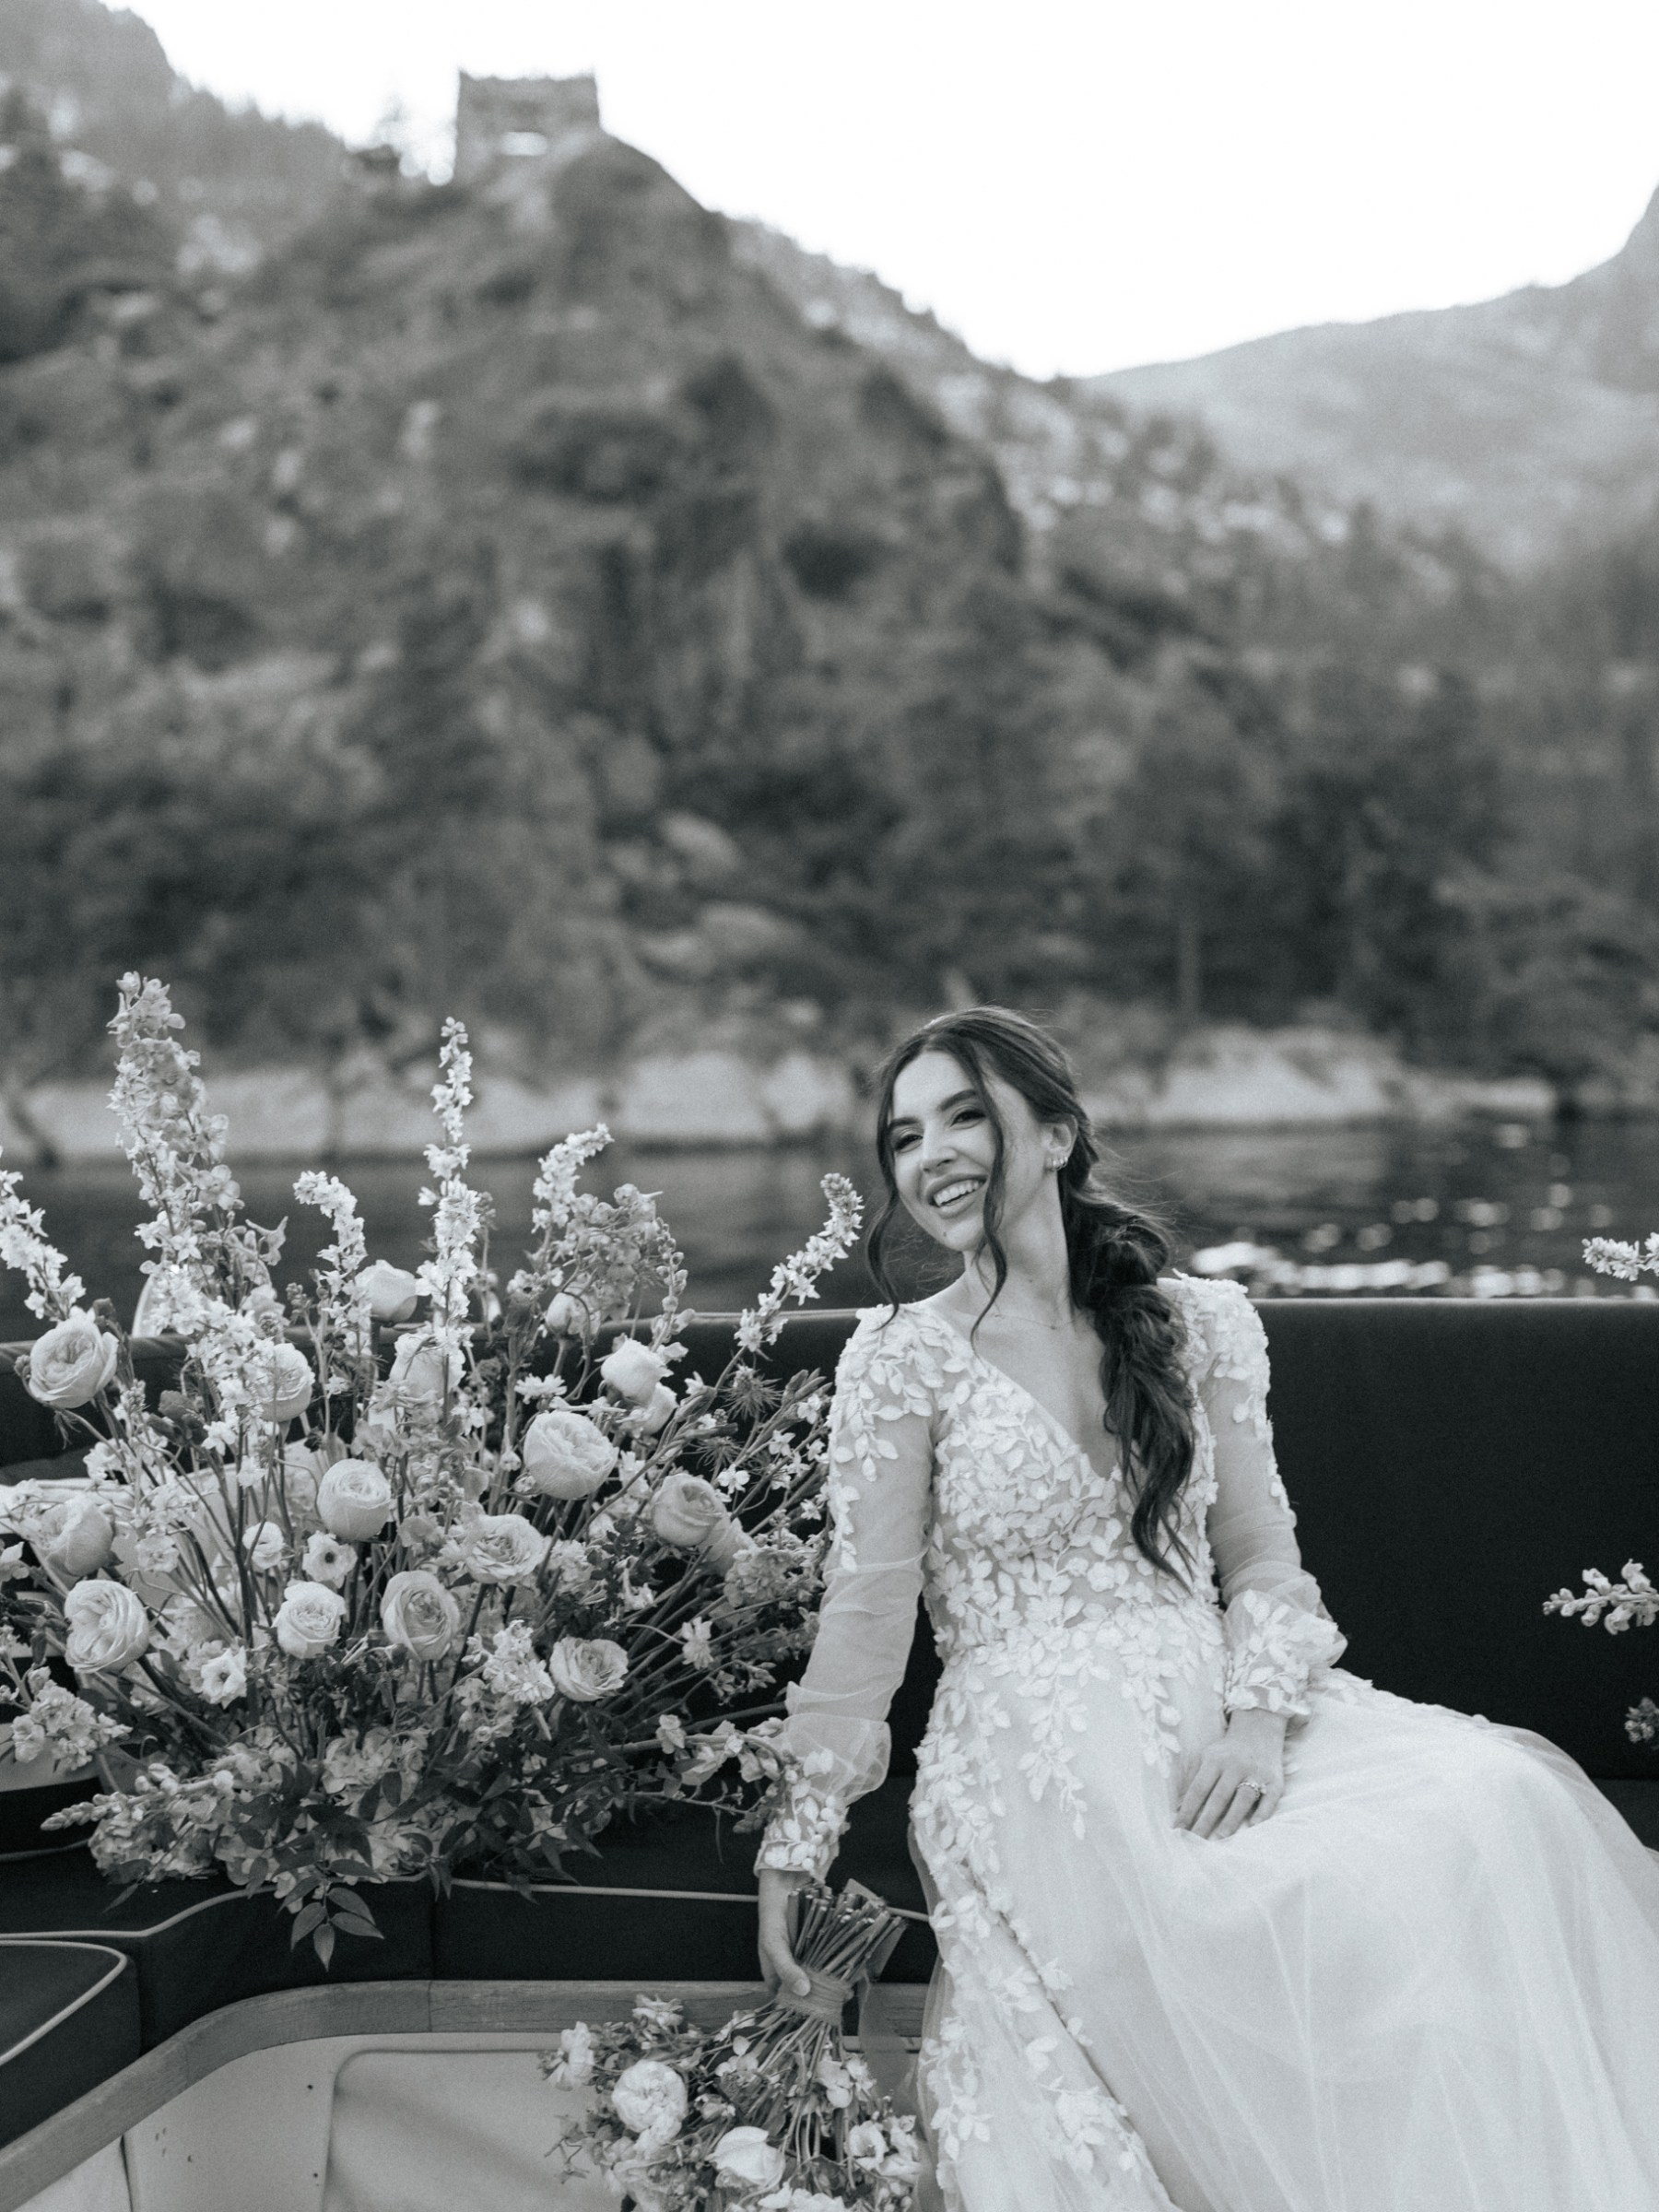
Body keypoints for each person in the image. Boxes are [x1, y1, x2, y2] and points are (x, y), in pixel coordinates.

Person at [755, 1006, 1659, 2212]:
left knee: (1501, 1805)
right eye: (905, 1136)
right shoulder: (899, 1359)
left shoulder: (1201, 1324)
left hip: (1222, 1707)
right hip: (1037, 1758)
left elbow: (1263, 1561)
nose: (933, 1156)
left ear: (1060, 1135)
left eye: (966, 1115)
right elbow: (865, 1616)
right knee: (1222, 1909)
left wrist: (1256, 1723)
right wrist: (797, 1841)